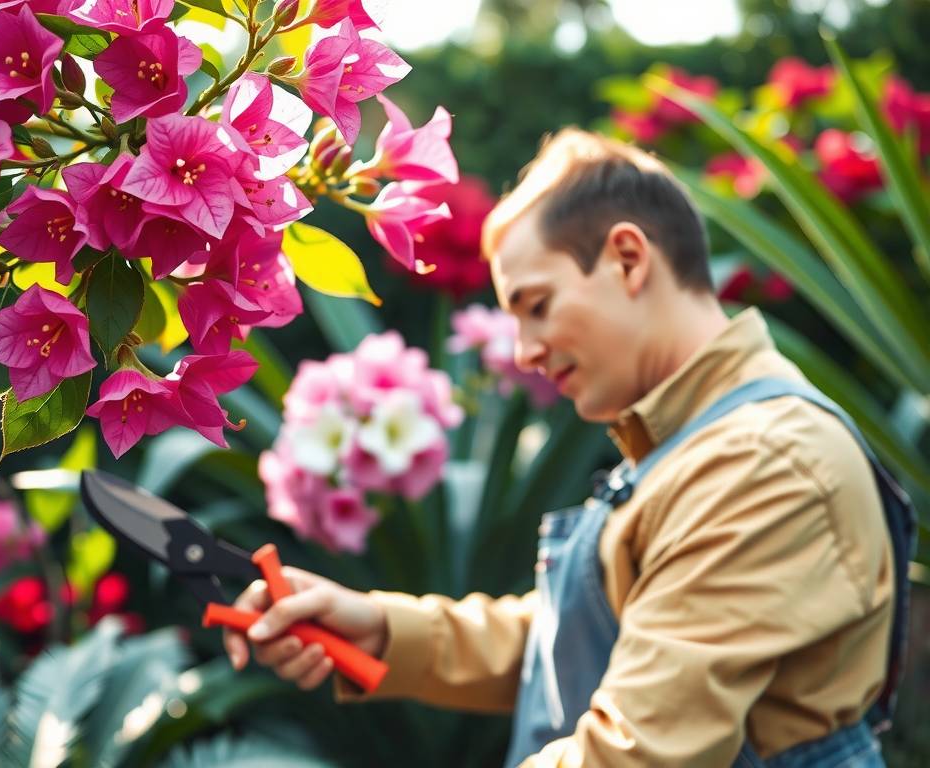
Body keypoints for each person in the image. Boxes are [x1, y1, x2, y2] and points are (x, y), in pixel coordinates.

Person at [223, 129, 913, 767]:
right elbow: (590, 639)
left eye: (537, 305)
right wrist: (377, 626)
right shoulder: (702, 438)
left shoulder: (759, 462)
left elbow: (636, 752)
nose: (523, 351)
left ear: (627, 258)